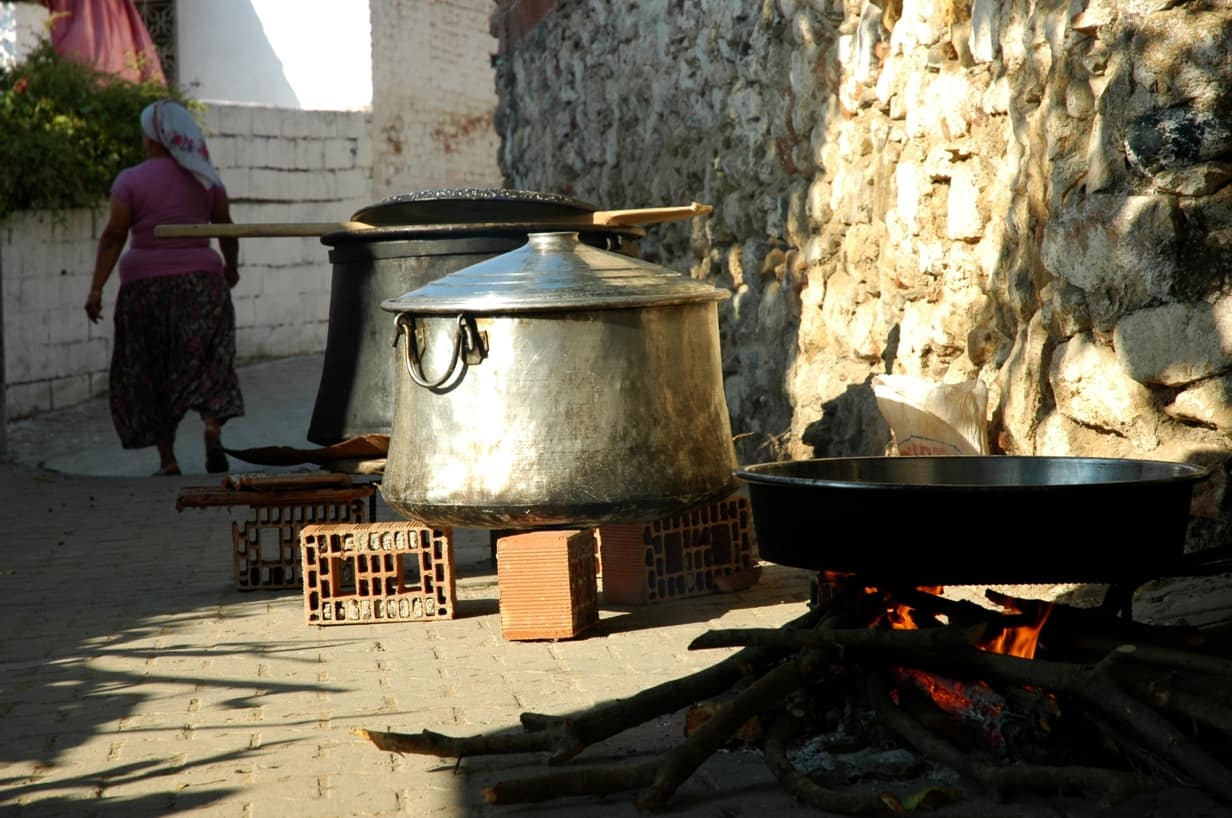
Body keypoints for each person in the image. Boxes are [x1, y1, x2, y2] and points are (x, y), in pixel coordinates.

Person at [84, 99, 244, 476]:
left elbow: (113, 237)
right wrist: (231, 269)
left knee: (148, 368)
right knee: (210, 359)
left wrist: (95, 291)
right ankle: (211, 426)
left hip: (145, 290)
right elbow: (226, 227)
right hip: (204, 286)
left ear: (152, 137)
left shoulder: (131, 181)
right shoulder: (207, 179)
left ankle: (168, 460)